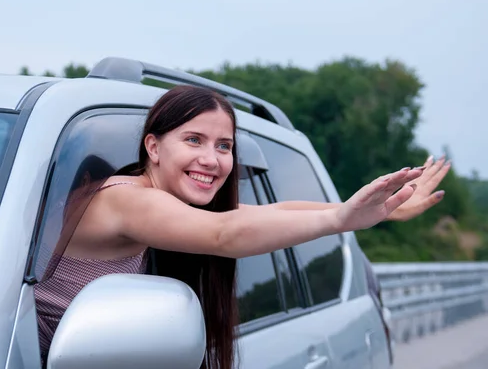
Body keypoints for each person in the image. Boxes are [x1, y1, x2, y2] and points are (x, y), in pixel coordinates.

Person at [35, 85, 451, 369]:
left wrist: (362, 210)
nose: (212, 159)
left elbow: (257, 215)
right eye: (193, 140)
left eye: (224, 146)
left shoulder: (154, 201)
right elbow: (225, 234)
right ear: (154, 146)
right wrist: (342, 219)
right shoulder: (125, 199)